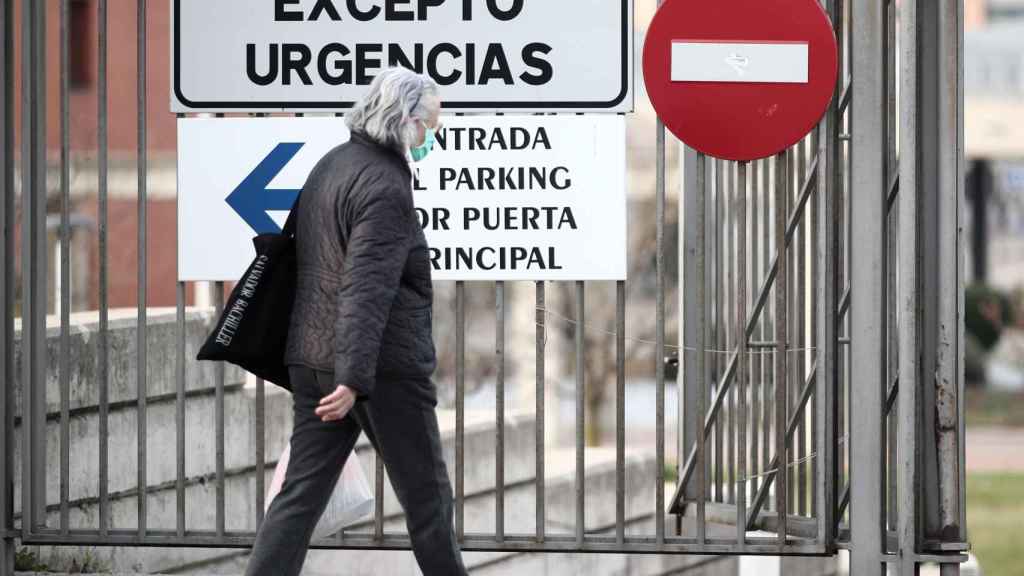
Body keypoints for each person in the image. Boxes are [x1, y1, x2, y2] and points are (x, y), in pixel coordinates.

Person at [244, 67, 467, 576]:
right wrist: (353, 378)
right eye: (429, 125)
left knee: (298, 496)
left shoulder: (332, 165)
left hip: (315, 361)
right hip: (377, 371)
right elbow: (366, 288)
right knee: (428, 500)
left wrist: (340, 373)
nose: (432, 135)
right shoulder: (386, 185)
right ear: (404, 121)